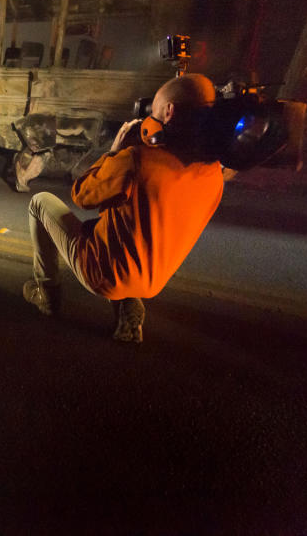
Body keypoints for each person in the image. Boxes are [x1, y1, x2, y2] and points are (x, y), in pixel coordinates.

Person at [23, 73, 224, 343]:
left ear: (169, 111)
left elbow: (82, 195)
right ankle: (128, 309)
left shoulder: (137, 160)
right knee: (110, 224)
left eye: (153, 112)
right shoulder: (213, 173)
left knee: (40, 202)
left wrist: (114, 153)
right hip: (153, 280)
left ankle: (46, 293)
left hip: (105, 275)